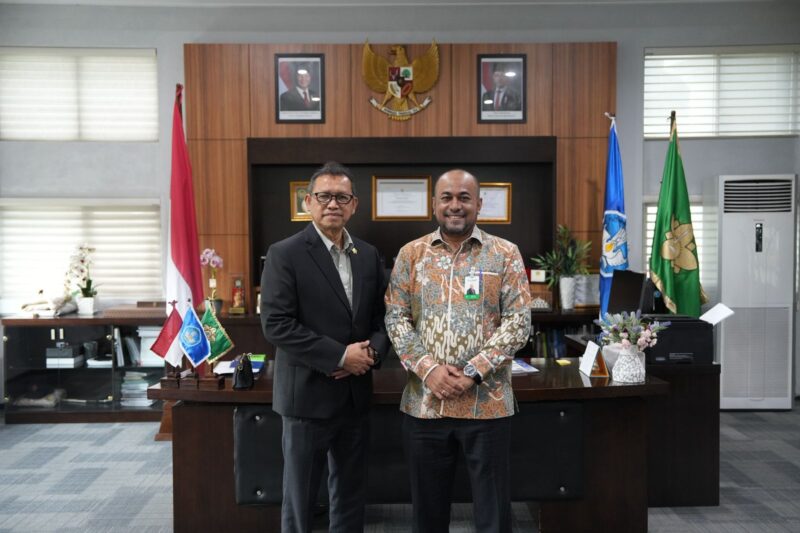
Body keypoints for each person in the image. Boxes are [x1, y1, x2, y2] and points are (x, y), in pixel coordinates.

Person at [385, 169, 531, 533]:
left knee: (493, 517)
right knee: (428, 517)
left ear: (479, 204)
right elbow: (395, 318)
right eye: (447, 197)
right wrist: (429, 370)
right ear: (434, 204)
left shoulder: (505, 254)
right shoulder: (411, 255)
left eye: (464, 197)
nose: (455, 205)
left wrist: (471, 372)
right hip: (425, 405)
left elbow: (519, 322)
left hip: (488, 405)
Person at [261, 161, 389, 533]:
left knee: (350, 494)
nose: (333, 203)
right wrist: (339, 356)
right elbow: (276, 324)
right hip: (306, 398)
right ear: (308, 202)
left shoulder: (367, 254)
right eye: (324, 196)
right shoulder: (285, 253)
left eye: (341, 197)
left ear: (354, 205)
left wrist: (370, 354)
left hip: (354, 396)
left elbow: (385, 318)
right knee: (301, 498)